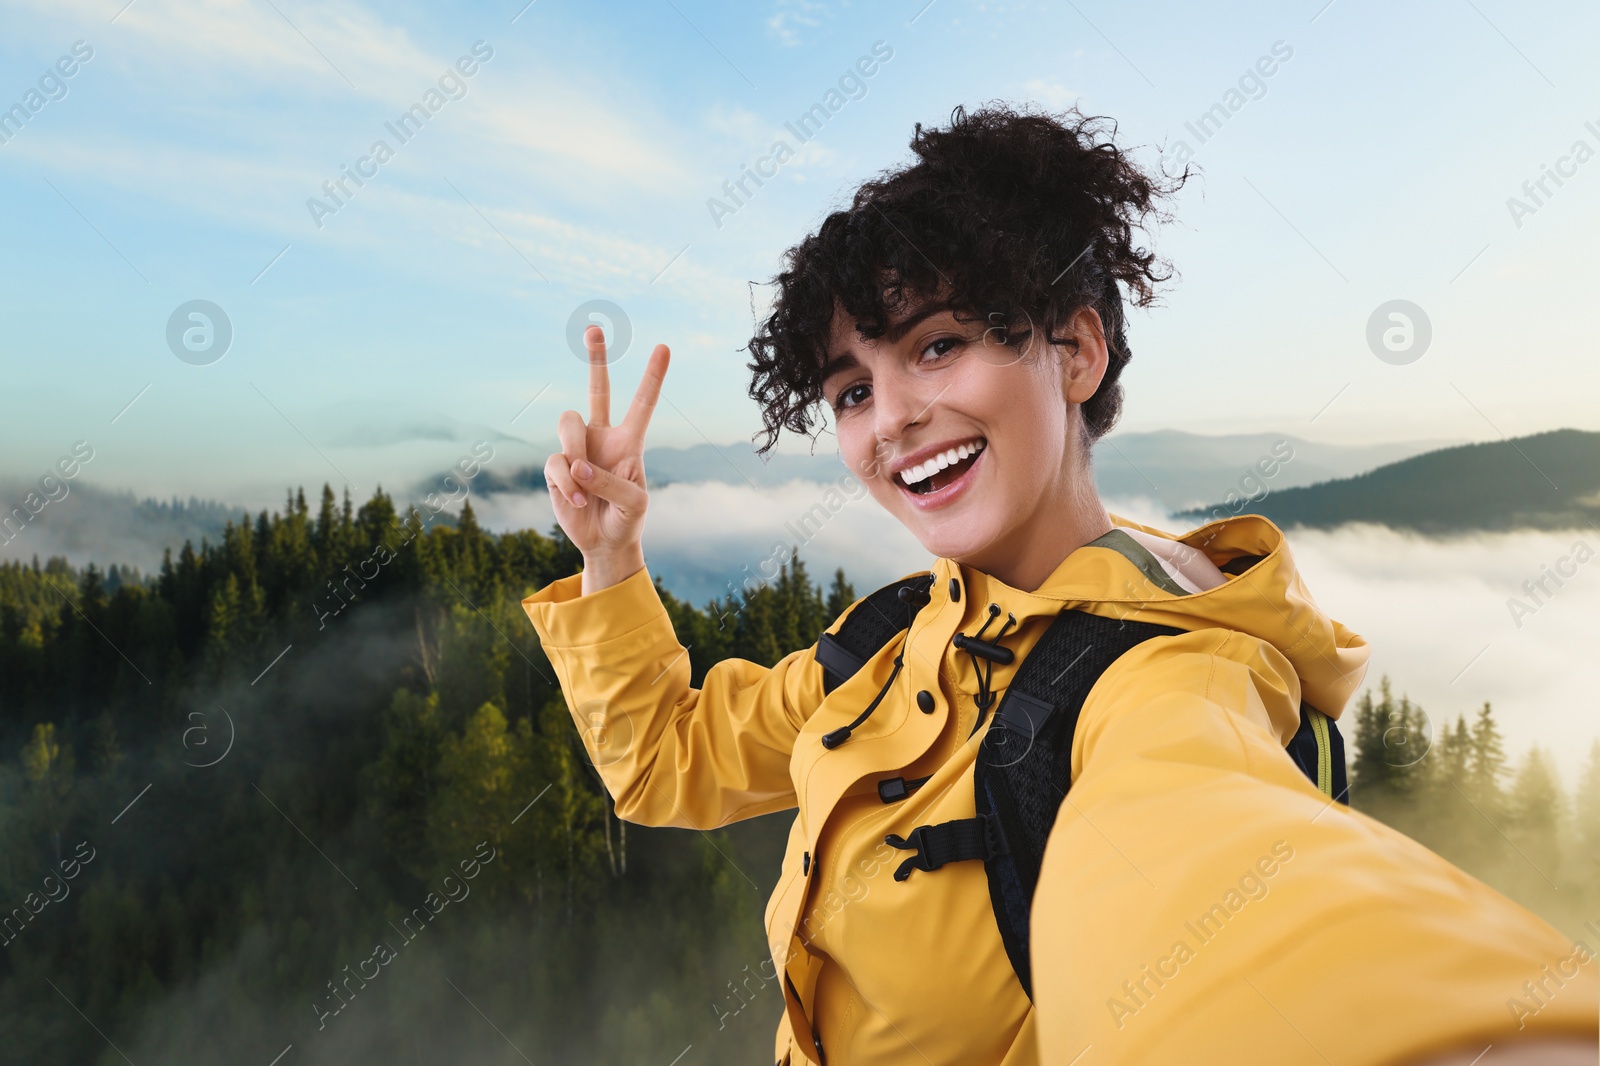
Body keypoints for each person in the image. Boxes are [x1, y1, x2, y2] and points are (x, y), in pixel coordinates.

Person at [521, 105, 1597, 1065]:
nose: (889, 417)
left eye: (936, 346)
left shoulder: (1168, 682)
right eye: (851, 388)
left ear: (1075, 349)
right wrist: (612, 557)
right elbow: (667, 764)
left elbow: (1241, 898)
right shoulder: (897, 637)